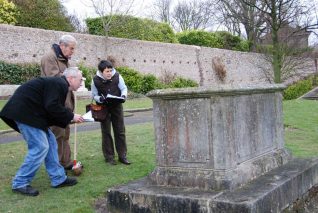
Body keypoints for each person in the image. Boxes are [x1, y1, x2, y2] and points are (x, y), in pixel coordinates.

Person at [0, 67, 84, 196]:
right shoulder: (60, 84)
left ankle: (58, 178)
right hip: (26, 115)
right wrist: (71, 116)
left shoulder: (58, 84)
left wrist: (69, 117)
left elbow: (50, 109)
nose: (81, 83)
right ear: (71, 79)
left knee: (51, 144)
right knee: (40, 147)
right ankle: (20, 183)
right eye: (80, 80)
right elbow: (52, 106)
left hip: (34, 116)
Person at [40, 34, 77, 170]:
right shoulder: (50, 57)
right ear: (62, 46)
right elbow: (54, 80)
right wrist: (73, 79)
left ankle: (66, 163)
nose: (72, 52)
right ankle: (56, 168)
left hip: (65, 104)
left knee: (65, 134)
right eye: (71, 49)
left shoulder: (63, 58)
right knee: (57, 136)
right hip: (55, 105)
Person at [91, 60, 131, 165]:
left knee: (120, 131)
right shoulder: (95, 80)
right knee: (106, 132)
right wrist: (99, 99)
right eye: (106, 71)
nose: (109, 73)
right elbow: (94, 95)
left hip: (117, 106)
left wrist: (123, 96)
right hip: (103, 108)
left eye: (110, 70)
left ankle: (122, 156)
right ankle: (109, 158)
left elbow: (123, 88)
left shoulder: (118, 76)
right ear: (101, 71)